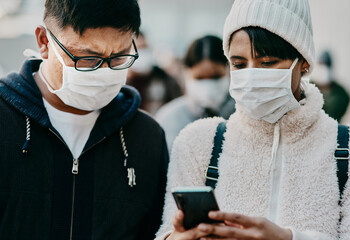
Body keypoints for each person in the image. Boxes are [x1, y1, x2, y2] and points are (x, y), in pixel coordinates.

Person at [155, 0, 350, 239]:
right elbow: (167, 230)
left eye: (268, 63)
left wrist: (288, 238)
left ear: (303, 62)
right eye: (239, 64)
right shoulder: (198, 143)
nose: (251, 75)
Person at [0, 0, 168, 239]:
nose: (104, 73)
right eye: (88, 59)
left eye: (119, 58)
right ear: (44, 42)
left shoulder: (146, 137)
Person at [155, 35, 234, 151]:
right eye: (200, 78)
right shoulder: (169, 118)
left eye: (216, 76)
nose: (208, 85)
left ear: (229, 71)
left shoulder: (245, 115)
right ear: (186, 74)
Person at [127, 32, 182, 115]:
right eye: (137, 49)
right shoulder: (121, 82)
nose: (140, 53)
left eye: (144, 48)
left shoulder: (164, 79)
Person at [310, 51, 350, 122]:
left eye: (326, 65)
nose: (323, 70)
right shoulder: (308, 88)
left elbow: (349, 113)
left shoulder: (340, 93)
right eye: (321, 65)